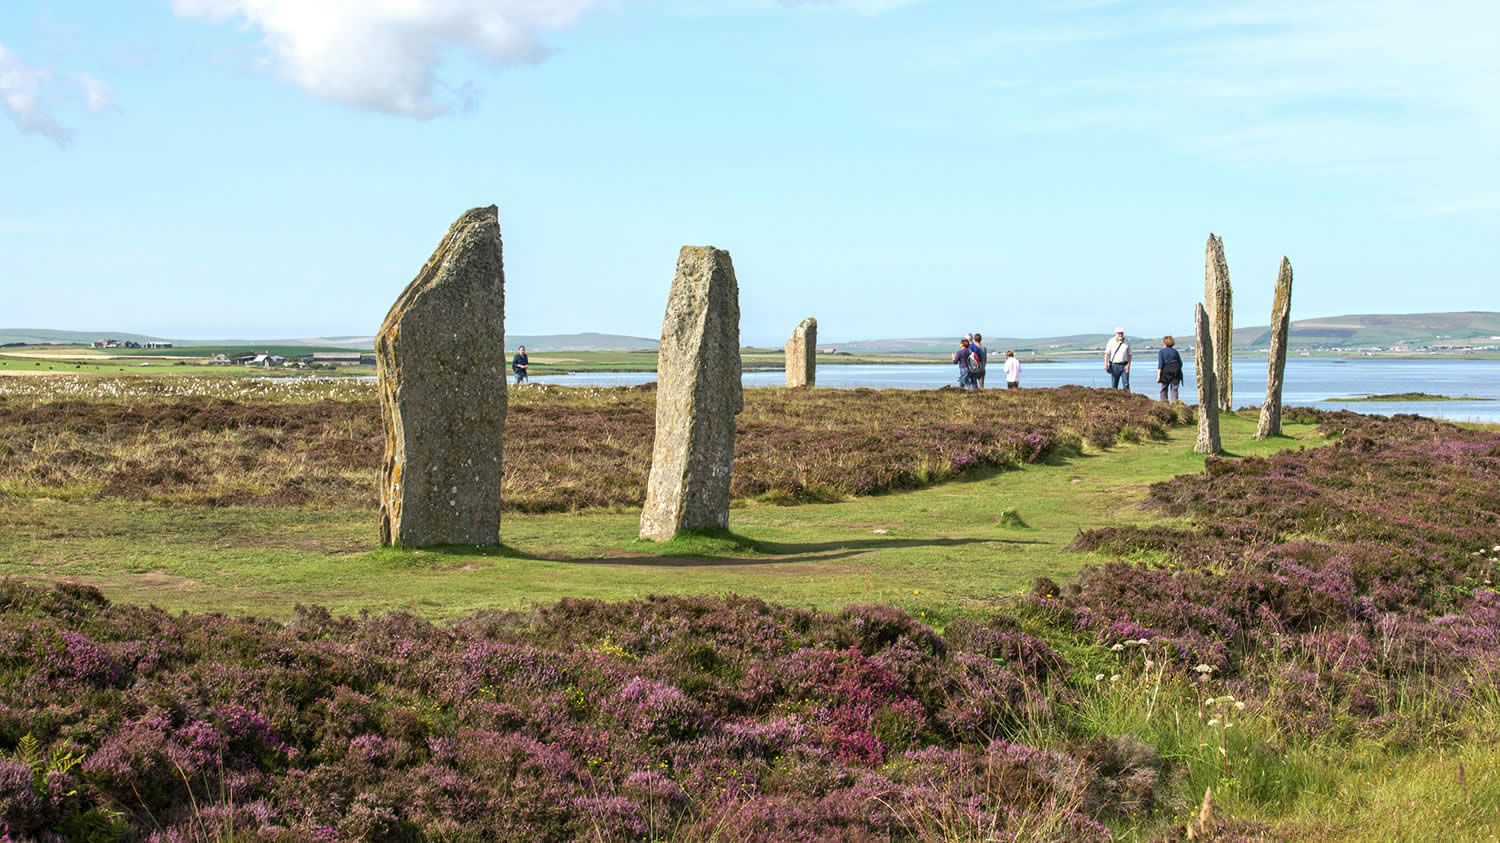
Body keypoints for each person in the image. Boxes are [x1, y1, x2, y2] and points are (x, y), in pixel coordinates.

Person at [1156, 336, 1183, 402]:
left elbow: (1160, 364)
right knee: (1174, 388)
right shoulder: (1175, 351)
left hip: (1165, 371)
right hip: (1176, 372)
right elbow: (1180, 363)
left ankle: (1164, 403)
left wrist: (1158, 376)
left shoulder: (1161, 351)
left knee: (1164, 388)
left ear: (1164, 343)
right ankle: (1175, 403)